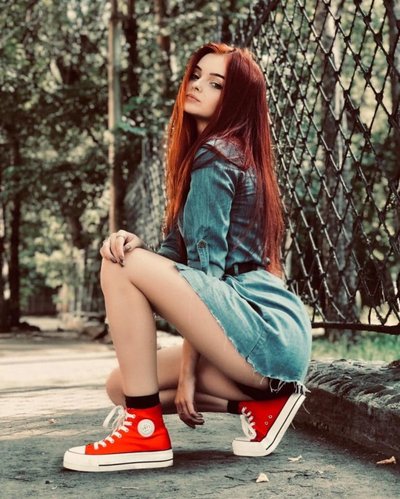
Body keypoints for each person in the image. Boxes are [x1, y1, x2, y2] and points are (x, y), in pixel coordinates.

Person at [63, 42, 312, 472]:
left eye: (215, 84)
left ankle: (144, 434)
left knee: (118, 261)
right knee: (123, 385)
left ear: (235, 100)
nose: (196, 86)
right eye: (196, 75)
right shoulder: (214, 154)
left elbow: (204, 275)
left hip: (262, 331)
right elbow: (174, 265)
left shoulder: (217, 155)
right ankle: (263, 405)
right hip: (268, 341)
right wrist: (136, 244)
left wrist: (188, 374)